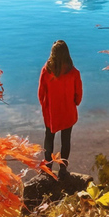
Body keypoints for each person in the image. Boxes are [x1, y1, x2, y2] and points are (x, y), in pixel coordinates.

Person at [38, 40, 83, 178]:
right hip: (68, 112)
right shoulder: (74, 72)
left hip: (51, 112)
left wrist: (45, 106)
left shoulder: (46, 70)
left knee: (49, 138)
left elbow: (41, 93)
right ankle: (63, 169)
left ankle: (48, 167)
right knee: (66, 140)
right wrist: (75, 103)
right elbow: (78, 95)